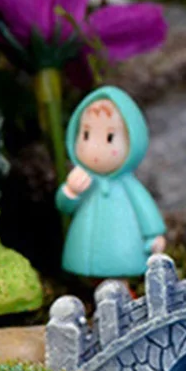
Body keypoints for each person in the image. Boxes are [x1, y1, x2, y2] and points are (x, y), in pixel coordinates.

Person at [57, 85, 166, 278]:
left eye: (109, 138)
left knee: (118, 279)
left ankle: (122, 287)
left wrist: (153, 235)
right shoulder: (84, 180)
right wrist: (71, 192)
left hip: (124, 246)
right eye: (86, 135)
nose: (95, 149)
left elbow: (144, 208)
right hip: (86, 245)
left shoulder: (128, 185)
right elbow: (64, 207)